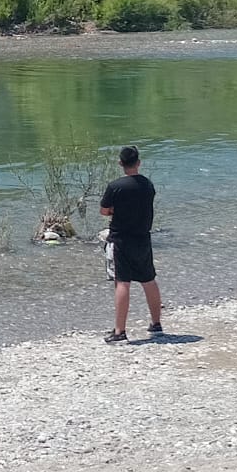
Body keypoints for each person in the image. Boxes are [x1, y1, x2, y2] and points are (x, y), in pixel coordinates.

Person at [100, 144, 163, 343]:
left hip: (121, 239)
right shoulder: (147, 184)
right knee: (148, 280)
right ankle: (156, 323)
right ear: (139, 163)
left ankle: (120, 331)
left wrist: (114, 211)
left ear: (120, 163)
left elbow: (104, 210)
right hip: (143, 237)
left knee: (122, 282)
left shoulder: (116, 186)